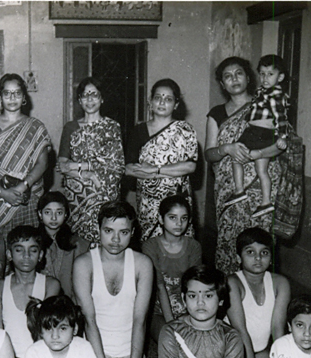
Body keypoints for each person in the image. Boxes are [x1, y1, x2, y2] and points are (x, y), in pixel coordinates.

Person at [205, 56, 298, 274]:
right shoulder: (216, 113)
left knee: (260, 249)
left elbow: (283, 144)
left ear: (249, 78)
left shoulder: (267, 102)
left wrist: (258, 153)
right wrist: (227, 149)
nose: (234, 79)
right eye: (227, 76)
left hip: (262, 192)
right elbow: (209, 154)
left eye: (238, 73)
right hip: (230, 193)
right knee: (230, 245)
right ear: (222, 84)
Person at [74, 201, 153, 358]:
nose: (116, 240)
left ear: (133, 232)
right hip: (95, 350)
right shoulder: (84, 264)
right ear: (98, 229)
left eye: (123, 232)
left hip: (127, 351)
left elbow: (140, 320)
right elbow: (89, 321)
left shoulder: (143, 264)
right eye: (108, 231)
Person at [0, 225, 61, 358]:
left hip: (40, 356)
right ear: (9, 254)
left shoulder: (50, 285)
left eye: (33, 250)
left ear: (41, 255)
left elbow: (47, 332)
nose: (26, 256)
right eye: (19, 250)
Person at [0, 73, 51, 240]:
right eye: (7, 93)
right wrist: (3, 193)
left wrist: (21, 187)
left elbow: (43, 163)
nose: (12, 98)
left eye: (17, 93)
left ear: (24, 97)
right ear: (0, 98)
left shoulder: (36, 127)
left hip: (27, 197)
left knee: (28, 246)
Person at [125, 78, 198, 242]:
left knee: (180, 244)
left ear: (176, 105)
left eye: (168, 99)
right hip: (148, 203)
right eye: (158, 97)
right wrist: (169, 172)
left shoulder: (186, 130)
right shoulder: (138, 131)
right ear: (150, 102)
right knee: (151, 245)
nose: (162, 102)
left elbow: (190, 166)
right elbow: (128, 169)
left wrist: (154, 170)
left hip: (178, 202)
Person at [54, 77, 125, 243]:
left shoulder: (112, 127)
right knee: (79, 245)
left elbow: (115, 165)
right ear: (79, 100)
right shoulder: (70, 127)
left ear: (102, 98)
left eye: (94, 95)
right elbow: (62, 165)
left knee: (106, 239)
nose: (90, 99)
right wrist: (89, 174)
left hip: (104, 194)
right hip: (77, 197)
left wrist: (78, 165)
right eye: (85, 95)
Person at [225, 227, 290, 358]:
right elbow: (240, 330)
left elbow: (277, 329)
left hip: (259, 352)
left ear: (271, 258)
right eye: (250, 252)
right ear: (238, 257)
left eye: (264, 253)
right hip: (232, 352)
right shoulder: (232, 283)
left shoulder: (280, 283)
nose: (258, 258)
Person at [225, 55, 290, 218]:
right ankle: (262, 201)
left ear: (280, 77)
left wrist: (282, 136)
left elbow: (281, 117)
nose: (265, 78)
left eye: (270, 74)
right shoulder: (261, 92)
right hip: (254, 131)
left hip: (261, 133)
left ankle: (243, 192)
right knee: (259, 169)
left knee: (240, 160)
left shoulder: (276, 95)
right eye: (262, 74)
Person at [141, 195, 202, 343]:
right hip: (158, 311)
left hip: (187, 308)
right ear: (161, 219)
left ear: (189, 220)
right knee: (170, 339)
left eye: (184, 218)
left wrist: (191, 317)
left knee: (196, 339)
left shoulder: (193, 246)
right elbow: (160, 286)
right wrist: (172, 325)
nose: (179, 223)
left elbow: (195, 286)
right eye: (172, 217)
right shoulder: (150, 246)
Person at [37, 191, 90, 301]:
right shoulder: (33, 242)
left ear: (66, 214)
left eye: (59, 213)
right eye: (48, 212)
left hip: (71, 302)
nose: (54, 218)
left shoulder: (77, 243)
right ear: (40, 214)